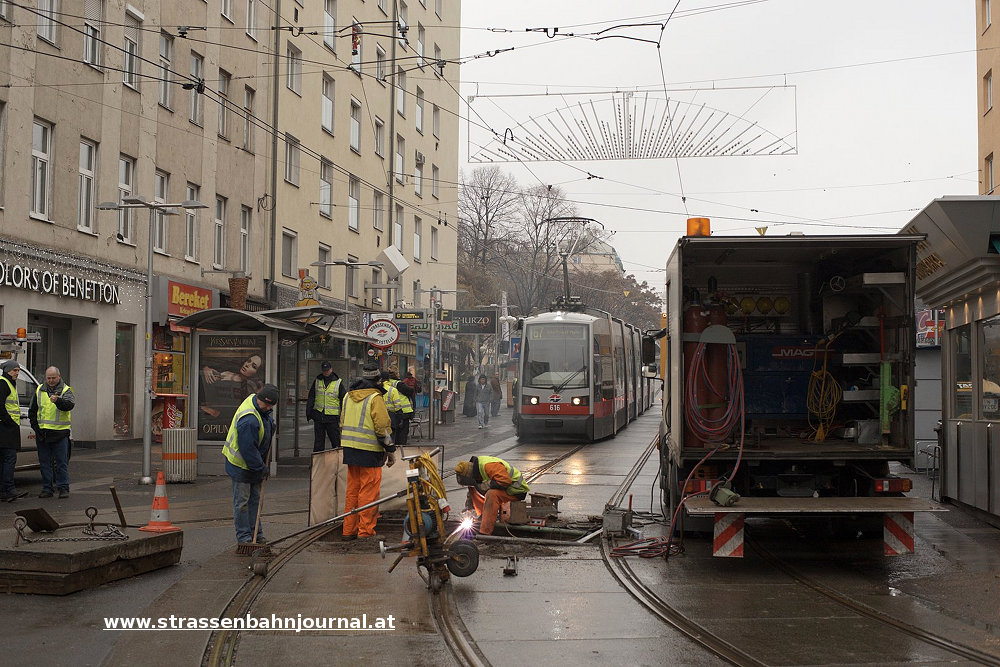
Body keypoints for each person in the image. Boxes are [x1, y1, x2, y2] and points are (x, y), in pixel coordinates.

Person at [341, 363, 396, 541]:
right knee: (368, 492)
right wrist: (390, 449)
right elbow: (382, 427)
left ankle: (348, 530)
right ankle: (365, 531)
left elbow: (341, 422)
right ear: (377, 379)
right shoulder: (375, 398)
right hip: (369, 451)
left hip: (350, 450)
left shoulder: (348, 397)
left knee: (352, 491)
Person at [223, 384, 278, 549]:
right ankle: (245, 539)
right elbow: (248, 450)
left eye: (270, 406)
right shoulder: (249, 420)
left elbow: (265, 423)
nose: (268, 408)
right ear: (259, 399)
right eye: (266, 405)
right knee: (243, 503)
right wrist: (261, 468)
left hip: (254, 464)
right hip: (241, 465)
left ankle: (257, 534)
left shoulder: (261, 408)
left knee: (255, 501)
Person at [29, 366, 75, 498]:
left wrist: (58, 401)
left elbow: (69, 406)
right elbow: (33, 411)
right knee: (44, 463)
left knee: (61, 463)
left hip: (60, 433)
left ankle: (63, 488)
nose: (50, 380)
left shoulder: (66, 390)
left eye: (53, 378)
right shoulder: (39, 390)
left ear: (59, 377)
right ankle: (47, 489)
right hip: (43, 434)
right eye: (48, 378)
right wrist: (36, 429)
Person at [454, 456, 530, 536]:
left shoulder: (488, 466)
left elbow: (505, 481)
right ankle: (482, 516)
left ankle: (485, 531)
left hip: (516, 490)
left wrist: (488, 485)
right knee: (476, 486)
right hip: (504, 488)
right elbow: (473, 490)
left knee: (492, 494)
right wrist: (468, 508)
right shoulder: (476, 468)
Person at [200, 353, 265, 419]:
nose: (247, 365)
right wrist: (206, 368)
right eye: (248, 361)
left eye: (253, 366)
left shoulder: (249, 387)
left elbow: (235, 409)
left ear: (257, 373)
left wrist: (212, 411)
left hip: (217, 418)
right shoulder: (228, 369)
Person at [0, 359, 27, 502]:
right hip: (6, 430)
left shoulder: (8, 383)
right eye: (15, 370)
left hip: (7, 429)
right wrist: (10, 423)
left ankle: (4, 490)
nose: (17, 373)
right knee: (9, 460)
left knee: (4, 461)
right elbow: (1, 407)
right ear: (7, 371)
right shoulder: (3, 383)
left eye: (18, 370)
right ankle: (9, 489)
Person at [306, 361, 347, 453]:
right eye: (324, 370)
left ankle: (338, 463)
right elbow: (311, 396)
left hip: (332, 417)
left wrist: (343, 416)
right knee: (318, 443)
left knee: (336, 441)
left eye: (327, 370)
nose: (326, 372)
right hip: (319, 416)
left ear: (331, 369)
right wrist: (309, 412)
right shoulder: (317, 380)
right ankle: (318, 465)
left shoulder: (338, 382)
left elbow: (343, 399)